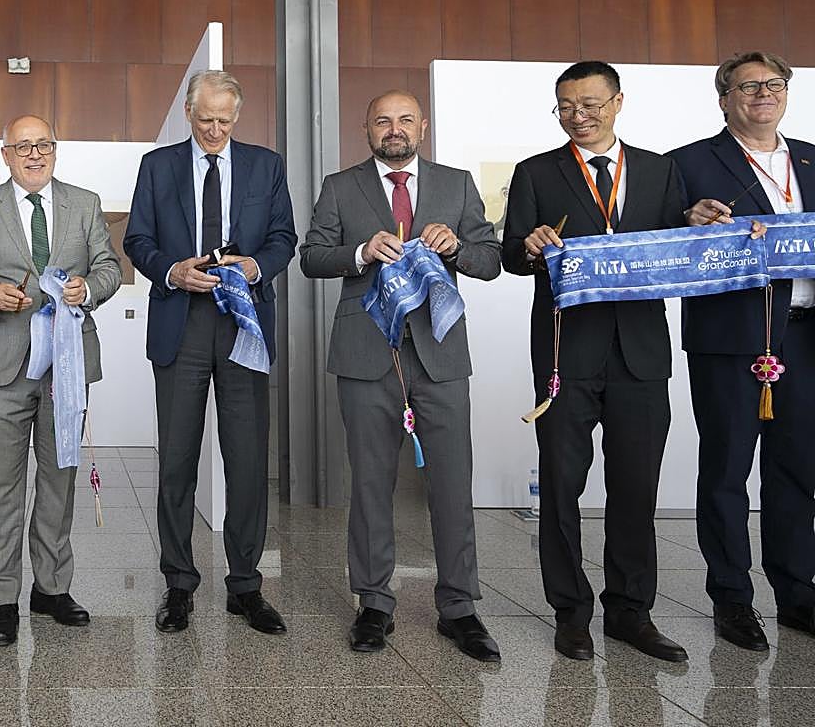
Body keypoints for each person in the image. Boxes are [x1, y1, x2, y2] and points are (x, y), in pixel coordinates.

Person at [299, 90, 502, 660]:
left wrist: (458, 247)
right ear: (366, 126)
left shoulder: (457, 183)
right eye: (382, 119)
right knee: (369, 483)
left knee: (452, 482)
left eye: (405, 120)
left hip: (439, 352)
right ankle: (374, 603)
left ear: (423, 126)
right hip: (367, 353)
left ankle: (459, 607)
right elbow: (312, 257)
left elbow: (490, 261)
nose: (394, 129)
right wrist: (361, 251)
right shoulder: (341, 186)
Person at [502, 61, 688, 663]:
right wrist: (529, 248)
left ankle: (631, 611)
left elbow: (677, 246)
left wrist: (700, 224)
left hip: (640, 353)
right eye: (565, 107)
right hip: (565, 353)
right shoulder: (536, 172)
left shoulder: (662, 170)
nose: (578, 116)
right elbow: (510, 254)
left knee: (636, 487)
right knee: (561, 486)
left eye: (590, 105)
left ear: (618, 102)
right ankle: (571, 613)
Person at [124, 70, 297, 636]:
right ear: (188, 115)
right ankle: (178, 583)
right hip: (182, 323)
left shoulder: (266, 166)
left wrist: (255, 266)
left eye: (225, 120)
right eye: (206, 120)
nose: (216, 130)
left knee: (247, 460)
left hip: (244, 324)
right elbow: (137, 240)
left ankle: (245, 586)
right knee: (176, 461)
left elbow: (283, 238)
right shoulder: (158, 167)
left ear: (237, 117)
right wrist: (171, 271)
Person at [0, 115, 121, 647]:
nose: (34, 154)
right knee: (2, 486)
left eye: (43, 144)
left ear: (55, 150)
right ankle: (2, 599)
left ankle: (51, 588)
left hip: (68, 364)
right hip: (4, 364)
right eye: (22, 146)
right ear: (5, 155)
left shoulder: (85, 203)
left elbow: (109, 267)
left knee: (58, 480)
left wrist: (87, 290)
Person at [671, 51, 815, 650]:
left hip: (805, 333)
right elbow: (666, 248)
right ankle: (732, 598)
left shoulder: (810, 157)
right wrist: (690, 222)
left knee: (798, 470)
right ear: (724, 97)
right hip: (731, 336)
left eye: (774, 84)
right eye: (749, 85)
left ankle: (797, 593)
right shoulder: (688, 163)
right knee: (727, 470)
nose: (764, 93)